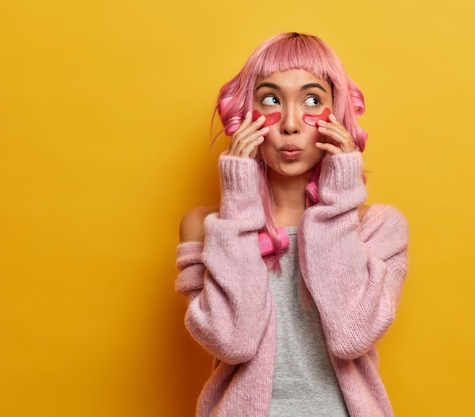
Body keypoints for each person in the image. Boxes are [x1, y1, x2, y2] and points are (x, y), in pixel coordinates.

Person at [175, 32, 409, 417]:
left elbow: (353, 335)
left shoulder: (379, 228)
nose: (290, 123)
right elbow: (233, 341)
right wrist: (239, 198)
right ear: (245, 115)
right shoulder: (206, 228)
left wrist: (340, 195)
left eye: (312, 100)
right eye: (270, 99)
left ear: (337, 116)